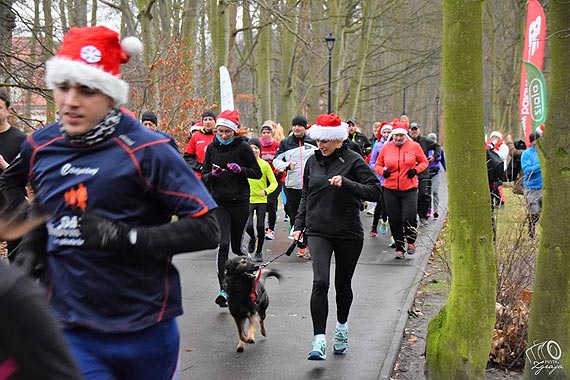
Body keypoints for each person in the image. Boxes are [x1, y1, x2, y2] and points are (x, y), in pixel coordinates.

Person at [2, 26, 220, 380]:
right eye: (63, 87)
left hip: (146, 326)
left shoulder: (149, 149)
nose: (71, 100)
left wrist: (125, 238)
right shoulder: (41, 145)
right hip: (70, 326)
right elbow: (28, 192)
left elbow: (208, 227)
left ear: (109, 96)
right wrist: (31, 242)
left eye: (86, 90)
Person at [291, 113, 381, 361]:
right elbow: (306, 196)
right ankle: (318, 339)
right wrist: (299, 225)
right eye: (319, 140)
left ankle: (341, 327)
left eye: (327, 140)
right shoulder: (312, 162)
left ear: (339, 140)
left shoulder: (353, 160)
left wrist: (347, 183)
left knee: (343, 285)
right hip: (318, 230)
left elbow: (375, 191)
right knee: (320, 282)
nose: (322, 145)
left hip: (348, 233)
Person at [201, 109, 262, 307]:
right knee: (224, 243)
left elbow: (257, 173)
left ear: (234, 131)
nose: (224, 135)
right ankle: (224, 289)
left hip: (241, 203)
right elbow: (204, 175)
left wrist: (241, 170)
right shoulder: (212, 148)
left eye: (227, 132)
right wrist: (213, 176)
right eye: (220, 131)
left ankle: (250, 278)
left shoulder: (243, 148)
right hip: (220, 202)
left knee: (237, 246)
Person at [374, 121, 429, 258]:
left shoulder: (414, 146)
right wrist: (383, 172)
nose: (398, 138)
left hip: (409, 188)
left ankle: (411, 241)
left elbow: (424, 162)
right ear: (392, 135)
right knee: (395, 218)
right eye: (396, 135)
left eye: (401, 136)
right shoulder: (386, 148)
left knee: (409, 216)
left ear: (405, 135)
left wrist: (416, 170)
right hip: (390, 189)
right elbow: (377, 164)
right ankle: (399, 246)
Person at [273, 115, 318, 258]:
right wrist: (287, 166)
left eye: (300, 125)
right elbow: (276, 161)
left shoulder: (313, 141)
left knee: (311, 214)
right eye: (295, 125)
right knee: (294, 215)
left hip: (311, 184)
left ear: (305, 127)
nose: (297, 128)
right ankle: (301, 245)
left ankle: (310, 244)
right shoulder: (285, 143)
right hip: (292, 185)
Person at [0, 89, 27, 262]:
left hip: (12, 206)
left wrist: (4, 165)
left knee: (16, 258)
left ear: (8, 110)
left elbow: (28, 177)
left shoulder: (20, 139)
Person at [244, 138, 278, 262]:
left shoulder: (264, 165)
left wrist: (266, 191)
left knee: (260, 226)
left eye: (256, 148)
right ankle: (252, 238)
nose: (253, 150)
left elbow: (274, 183)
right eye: (251, 147)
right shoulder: (243, 164)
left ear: (260, 150)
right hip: (248, 199)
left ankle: (259, 251)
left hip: (261, 200)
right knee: (248, 226)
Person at [408, 122, 440, 226]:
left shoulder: (425, 140)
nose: (414, 131)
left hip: (423, 171)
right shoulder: (405, 140)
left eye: (415, 129)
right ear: (409, 130)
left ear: (419, 130)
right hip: (409, 172)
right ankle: (410, 217)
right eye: (412, 129)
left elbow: (437, 146)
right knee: (410, 195)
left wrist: (434, 156)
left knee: (423, 194)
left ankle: (423, 217)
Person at [368, 122, 393, 240]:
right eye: (384, 132)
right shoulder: (378, 145)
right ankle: (375, 225)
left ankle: (390, 226)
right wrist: (381, 169)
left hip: (393, 179)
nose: (386, 134)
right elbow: (371, 163)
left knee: (390, 204)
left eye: (389, 132)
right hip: (381, 179)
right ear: (381, 133)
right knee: (380, 203)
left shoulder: (395, 145)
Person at [258, 121, 281, 240]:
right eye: (264, 132)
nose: (266, 134)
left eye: (268, 132)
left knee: (271, 202)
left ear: (272, 134)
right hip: (262, 179)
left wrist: (279, 172)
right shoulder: (258, 146)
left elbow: (282, 159)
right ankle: (261, 226)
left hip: (276, 178)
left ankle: (270, 229)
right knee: (263, 204)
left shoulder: (276, 145)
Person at [183, 110, 217, 179]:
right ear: (202, 122)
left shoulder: (220, 136)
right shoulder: (196, 136)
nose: (208, 122)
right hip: (200, 176)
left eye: (210, 119)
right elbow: (187, 157)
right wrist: (200, 167)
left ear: (215, 121)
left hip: (217, 175)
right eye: (205, 120)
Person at [520, 132, 542, 238]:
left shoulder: (543, 152)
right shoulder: (526, 154)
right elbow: (527, 170)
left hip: (543, 186)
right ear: (532, 141)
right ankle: (531, 231)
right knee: (534, 212)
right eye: (536, 141)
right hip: (531, 187)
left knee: (544, 212)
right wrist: (540, 165)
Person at [426, 133, 446, 219]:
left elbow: (442, 161)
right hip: (426, 172)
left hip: (436, 172)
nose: (432, 141)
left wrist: (446, 170)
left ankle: (436, 210)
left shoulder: (439, 149)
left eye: (433, 139)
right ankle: (429, 209)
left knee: (435, 191)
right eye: (430, 140)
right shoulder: (425, 148)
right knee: (427, 192)